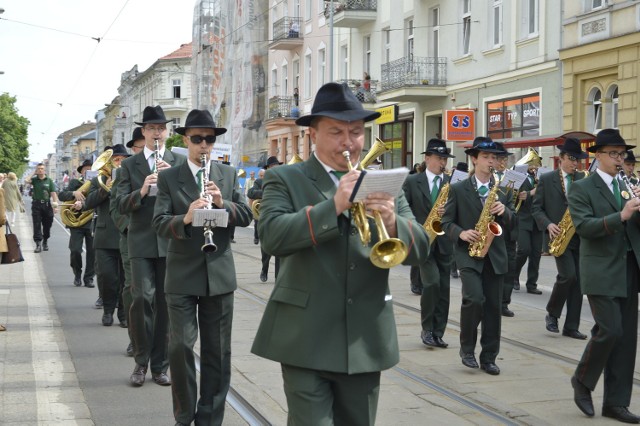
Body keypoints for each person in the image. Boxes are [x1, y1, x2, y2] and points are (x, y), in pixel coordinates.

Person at [251, 82, 430, 424]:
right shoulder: (285, 178)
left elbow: (420, 249)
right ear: (312, 136)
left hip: (364, 336)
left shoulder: (384, 181)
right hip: (304, 335)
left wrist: (392, 221)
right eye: (336, 132)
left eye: (357, 132)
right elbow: (272, 236)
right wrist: (332, 206)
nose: (349, 142)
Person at [153, 109, 252, 426]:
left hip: (219, 275)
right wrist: (185, 217)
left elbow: (248, 216)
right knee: (180, 346)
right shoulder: (169, 177)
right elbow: (157, 223)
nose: (204, 145)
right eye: (197, 139)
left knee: (218, 352)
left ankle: (210, 418)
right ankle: (184, 415)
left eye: (209, 139)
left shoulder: (228, 174)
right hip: (182, 274)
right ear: (186, 140)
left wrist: (224, 204)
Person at [568, 128, 640, 423]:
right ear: (597, 156)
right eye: (613, 154)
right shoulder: (582, 189)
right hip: (600, 269)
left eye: (622, 155)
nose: (619, 160)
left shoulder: (629, 183)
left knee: (626, 340)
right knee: (609, 330)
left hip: (629, 268)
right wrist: (621, 215)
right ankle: (582, 381)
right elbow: (585, 227)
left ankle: (616, 403)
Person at [114, 105, 185, 387]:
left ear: (166, 132)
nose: (157, 133)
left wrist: (174, 183)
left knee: (166, 305)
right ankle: (140, 362)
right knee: (142, 299)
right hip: (141, 241)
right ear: (143, 132)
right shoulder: (129, 166)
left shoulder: (177, 162)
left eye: (161, 128)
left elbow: (188, 201)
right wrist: (142, 190)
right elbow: (119, 204)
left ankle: (160, 365)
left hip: (169, 242)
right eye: (152, 129)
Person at [440, 136, 516, 375]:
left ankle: (489, 356)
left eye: (494, 157)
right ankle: (467, 349)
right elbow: (446, 222)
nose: (491, 161)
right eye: (486, 157)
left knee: (493, 308)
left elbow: (514, 225)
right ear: (473, 159)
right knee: (474, 300)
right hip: (469, 254)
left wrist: (506, 212)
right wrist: (461, 234)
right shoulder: (458, 189)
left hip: (495, 255)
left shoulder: (502, 190)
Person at [532, 137, 588, 340]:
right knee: (568, 276)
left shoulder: (583, 178)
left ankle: (571, 326)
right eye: (572, 159)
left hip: (580, 237)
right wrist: (548, 224)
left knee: (579, 283)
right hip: (558, 236)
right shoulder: (547, 179)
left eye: (578, 160)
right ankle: (553, 314)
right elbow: (536, 208)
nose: (575, 163)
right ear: (561, 158)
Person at [403, 138, 455, 348]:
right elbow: (403, 208)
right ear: (427, 158)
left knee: (444, 288)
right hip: (422, 240)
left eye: (444, 159)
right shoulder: (412, 181)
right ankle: (427, 328)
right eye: (439, 158)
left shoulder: (451, 184)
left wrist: (447, 212)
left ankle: (438, 332)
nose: (442, 162)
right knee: (431, 283)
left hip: (444, 241)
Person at [84, 145, 130, 327]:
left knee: (126, 280)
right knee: (107, 277)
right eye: (116, 160)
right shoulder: (99, 180)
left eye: (122, 160)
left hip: (125, 234)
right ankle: (108, 310)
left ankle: (124, 313)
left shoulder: (131, 179)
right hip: (104, 237)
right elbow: (88, 202)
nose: (119, 163)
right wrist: (106, 187)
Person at [112, 127, 146, 356]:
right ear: (134, 149)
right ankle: (136, 338)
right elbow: (117, 206)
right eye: (142, 148)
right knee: (134, 288)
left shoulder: (169, 167)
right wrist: (128, 228)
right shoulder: (127, 169)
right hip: (132, 237)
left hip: (162, 239)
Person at [59, 159, 96, 289]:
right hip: (77, 222)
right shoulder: (75, 183)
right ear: (82, 171)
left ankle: (89, 278)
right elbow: (61, 195)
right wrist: (73, 193)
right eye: (86, 169)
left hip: (92, 222)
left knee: (93, 252)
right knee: (75, 250)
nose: (88, 171)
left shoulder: (98, 183)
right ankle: (77, 274)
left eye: (91, 169)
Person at [248, 156, 282, 282]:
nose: (275, 168)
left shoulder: (283, 180)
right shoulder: (260, 181)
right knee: (266, 249)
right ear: (267, 169)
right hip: (266, 218)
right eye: (273, 167)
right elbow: (251, 193)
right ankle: (264, 269)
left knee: (280, 250)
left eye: (277, 166)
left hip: (280, 218)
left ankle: (278, 276)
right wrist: (267, 193)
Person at [514, 152, 543, 294]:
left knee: (536, 253)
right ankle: (514, 276)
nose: (534, 167)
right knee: (523, 250)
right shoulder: (518, 177)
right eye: (532, 164)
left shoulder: (539, 179)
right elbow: (516, 195)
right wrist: (531, 192)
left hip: (538, 220)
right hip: (523, 218)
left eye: (536, 165)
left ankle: (532, 284)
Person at [26, 164, 59, 253]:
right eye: (39, 169)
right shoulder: (34, 180)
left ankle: (45, 240)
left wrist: (55, 206)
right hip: (36, 205)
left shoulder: (49, 181)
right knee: (36, 224)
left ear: (45, 170)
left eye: (42, 169)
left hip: (47, 205)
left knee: (47, 225)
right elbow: (26, 180)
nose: (40, 170)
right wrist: (33, 172)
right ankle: (38, 244)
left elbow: (53, 193)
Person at [449, 161, 469, 279]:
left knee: (456, 242)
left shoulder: (454, 177)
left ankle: (454, 268)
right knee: (456, 242)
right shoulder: (459, 179)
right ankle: (454, 267)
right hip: (458, 211)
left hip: (460, 211)